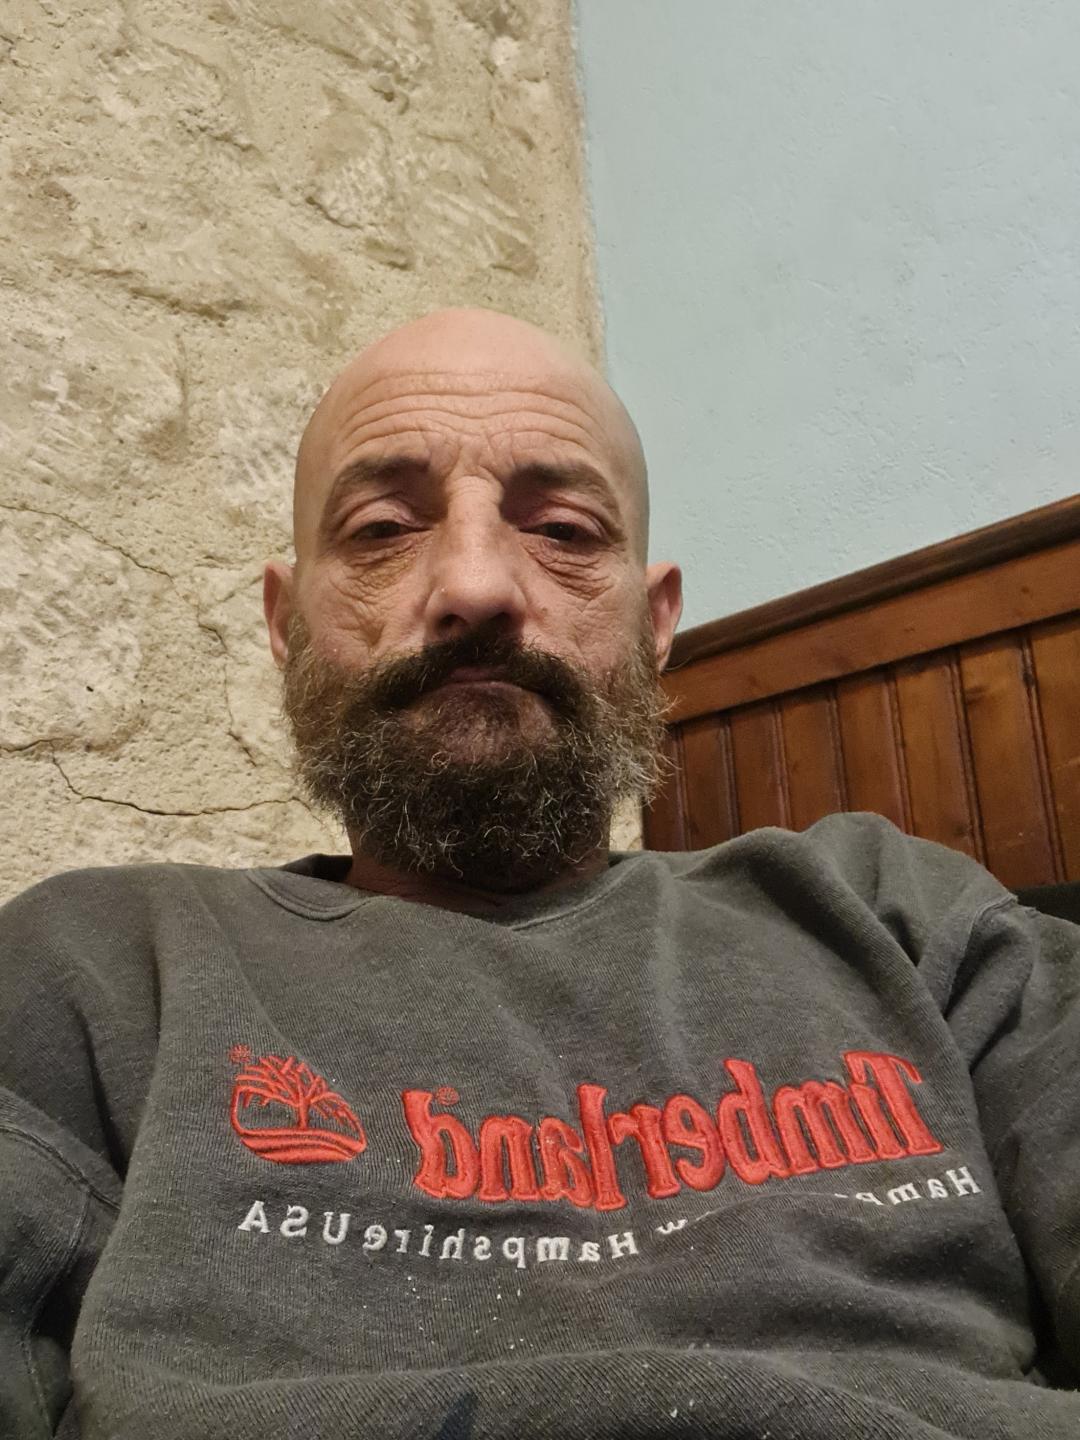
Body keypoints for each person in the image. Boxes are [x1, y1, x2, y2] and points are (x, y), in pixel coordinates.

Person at [2, 307, 1078, 1440]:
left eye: (564, 530)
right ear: (287, 625)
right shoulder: (98, 969)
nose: (476, 585)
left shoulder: (897, 912)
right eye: (381, 529)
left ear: (655, 625)